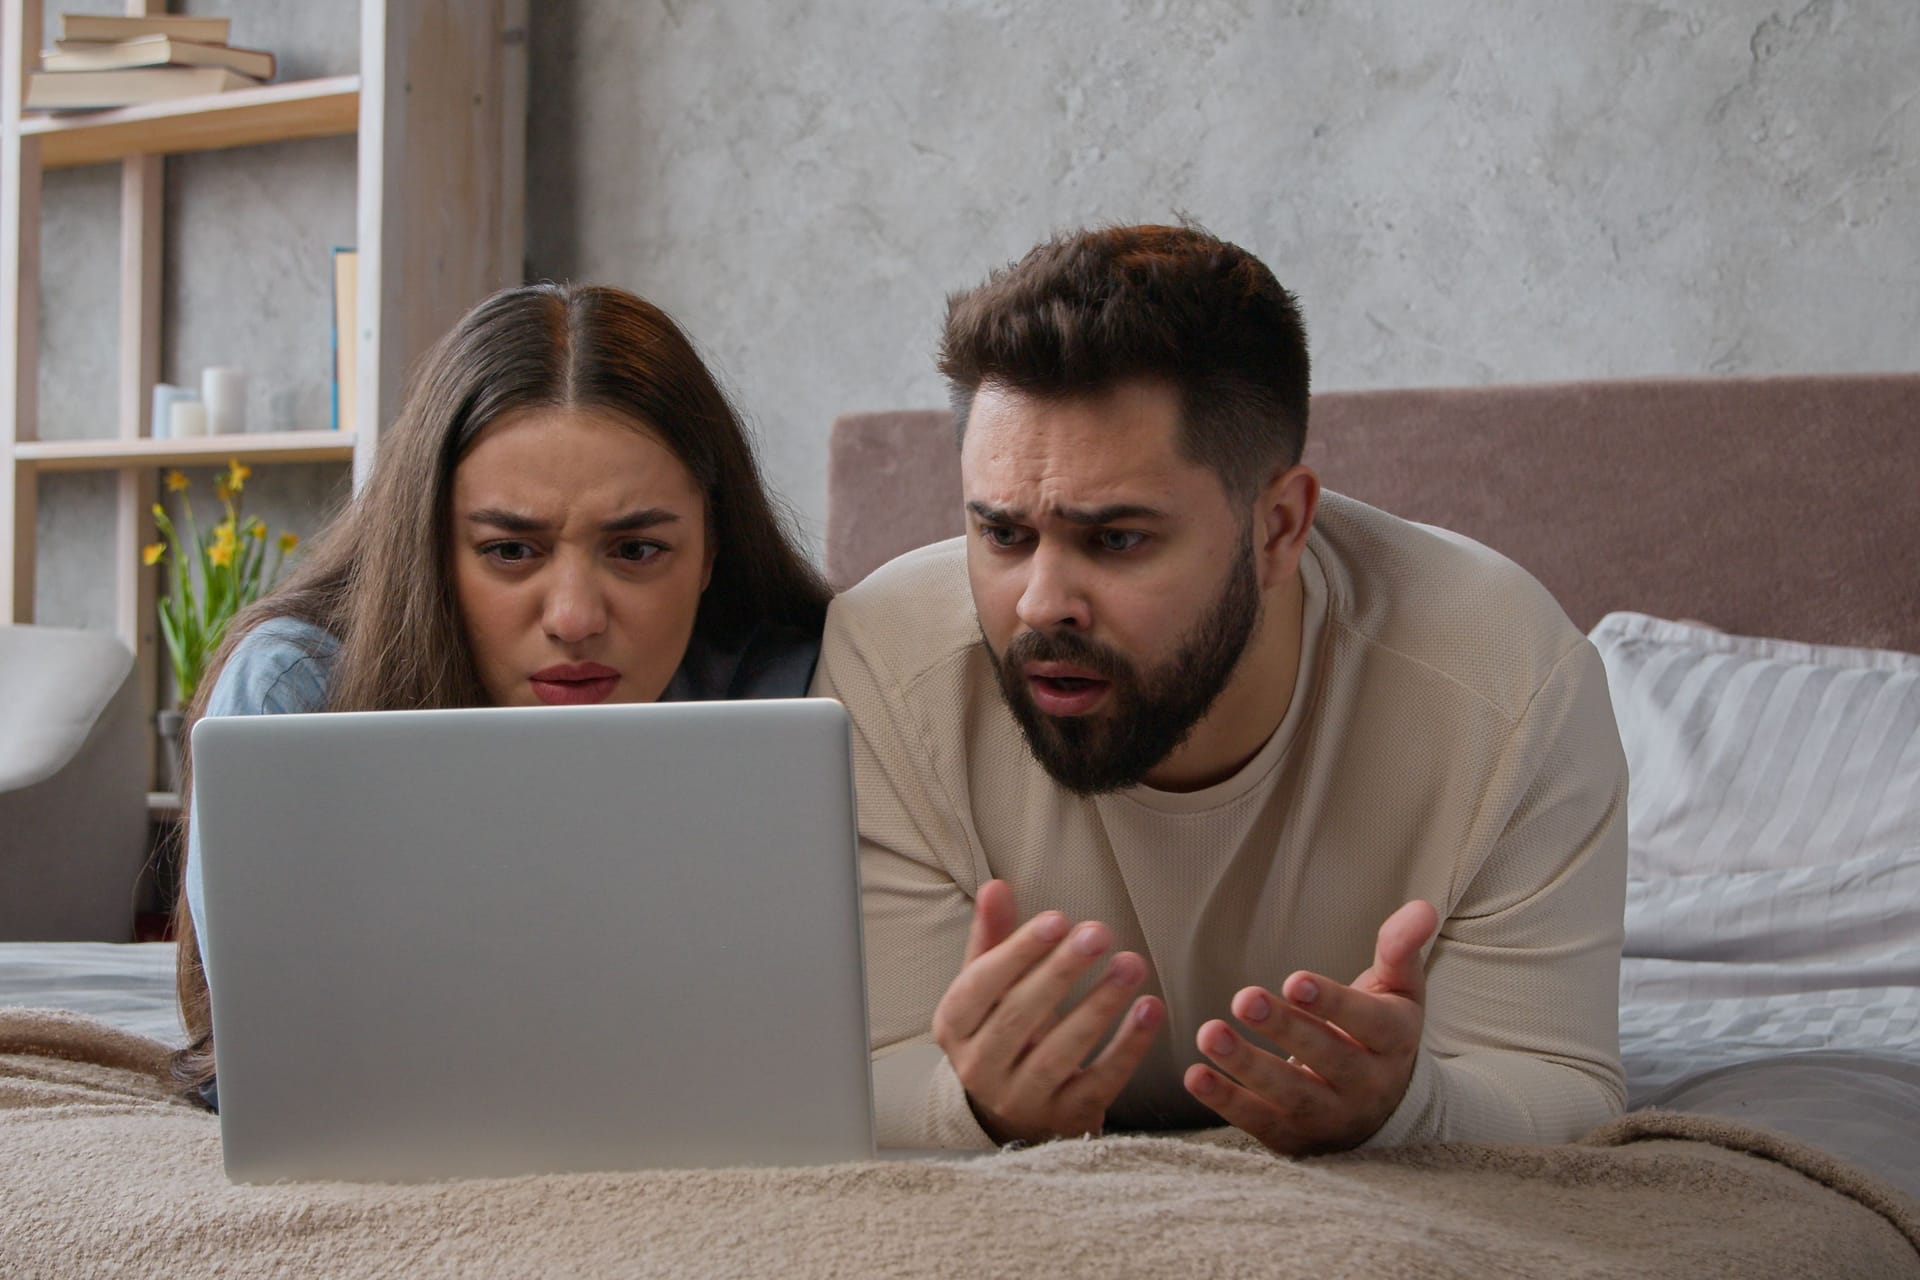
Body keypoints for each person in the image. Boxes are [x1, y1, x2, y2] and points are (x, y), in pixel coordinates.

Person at [814, 224, 1629, 1154]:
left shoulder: (1504, 678)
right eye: (1002, 535)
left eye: (1118, 539)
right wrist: (978, 1110)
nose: (1042, 604)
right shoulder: (887, 667)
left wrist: (1408, 1110)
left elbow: (1561, 1083)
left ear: (1280, 527)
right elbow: (863, 1074)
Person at [170, 282, 830, 1103]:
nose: (575, 618)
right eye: (512, 551)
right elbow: (261, 1066)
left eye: (637, 551)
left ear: (712, 547)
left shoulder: (797, 692)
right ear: (431, 550)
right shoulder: (296, 695)